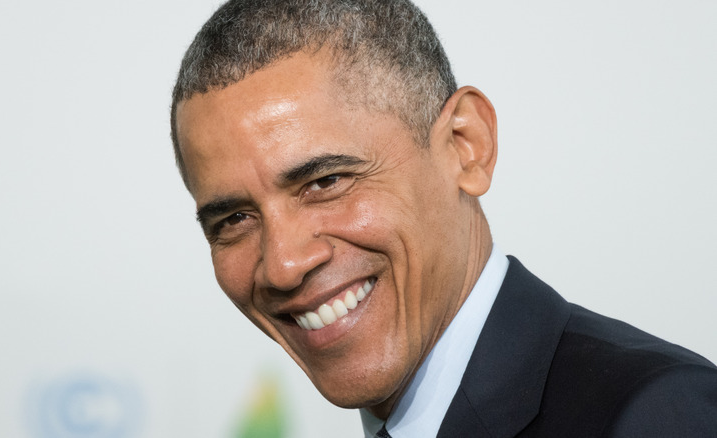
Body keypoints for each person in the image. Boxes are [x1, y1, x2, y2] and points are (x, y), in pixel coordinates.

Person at [169, 0, 717, 436]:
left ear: (465, 146)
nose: (284, 264)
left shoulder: (656, 415)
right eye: (234, 220)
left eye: (325, 182)